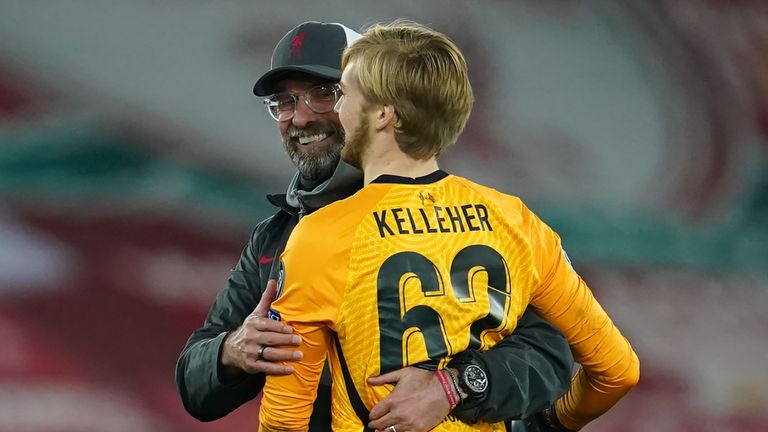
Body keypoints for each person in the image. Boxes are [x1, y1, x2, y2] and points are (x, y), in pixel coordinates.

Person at [175, 21, 575, 432]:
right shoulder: (274, 238)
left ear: (376, 104)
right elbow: (194, 387)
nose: (301, 117)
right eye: (284, 101)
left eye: (325, 93)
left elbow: (553, 351)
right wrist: (230, 350)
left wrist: (454, 386)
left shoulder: (474, 219)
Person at [258, 20, 640, 432]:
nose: (336, 109)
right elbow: (619, 371)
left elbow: (284, 422)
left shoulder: (320, 236)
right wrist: (549, 423)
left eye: (343, 94)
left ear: (384, 113)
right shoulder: (517, 221)